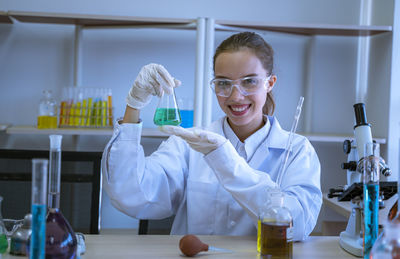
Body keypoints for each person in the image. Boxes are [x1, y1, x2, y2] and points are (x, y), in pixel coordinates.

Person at [101, 32, 322, 241]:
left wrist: (224, 159)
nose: (236, 97)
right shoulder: (189, 144)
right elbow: (130, 195)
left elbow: (298, 225)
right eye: (224, 83)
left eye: (249, 81)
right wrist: (134, 105)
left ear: (270, 83)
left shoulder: (296, 151)